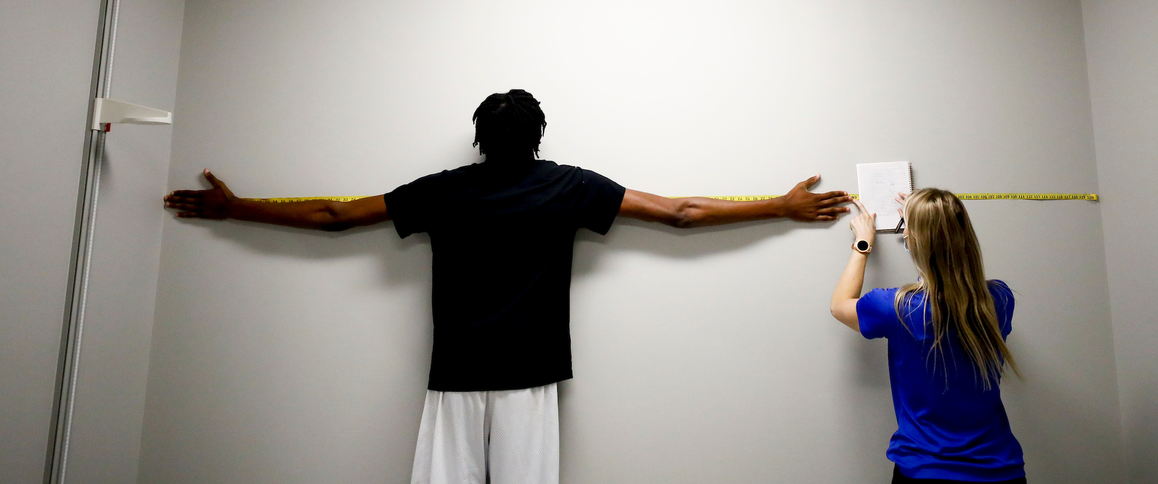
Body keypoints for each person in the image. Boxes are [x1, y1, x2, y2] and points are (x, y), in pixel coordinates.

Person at [164, 89, 850, 484]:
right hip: (528, 379)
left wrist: (237, 207)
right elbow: (679, 213)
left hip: (455, 376)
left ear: (479, 139)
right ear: (538, 134)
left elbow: (337, 217)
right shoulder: (568, 186)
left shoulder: (444, 190)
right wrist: (779, 207)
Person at [830, 189, 1026, 484]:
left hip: (924, 471)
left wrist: (862, 245)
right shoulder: (999, 299)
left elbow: (839, 305)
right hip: (1000, 471)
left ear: (913, 241)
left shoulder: (894, 307)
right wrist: (928, 221)